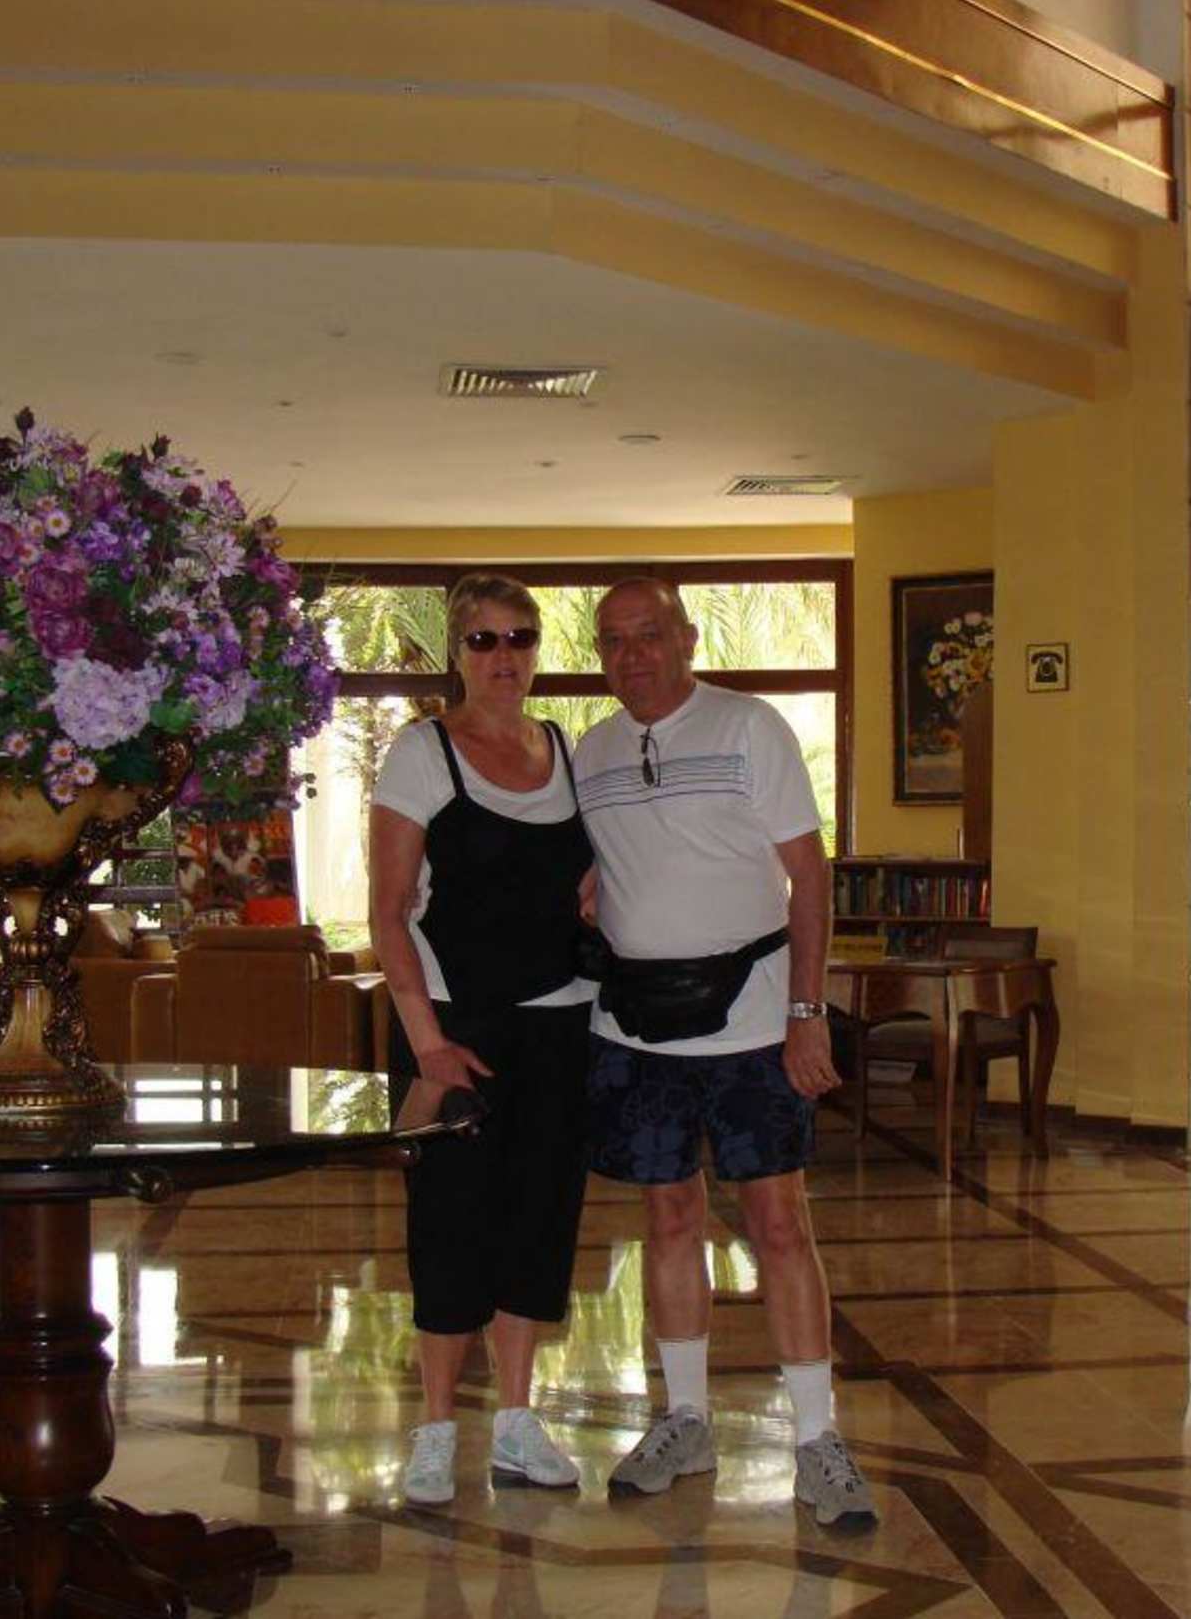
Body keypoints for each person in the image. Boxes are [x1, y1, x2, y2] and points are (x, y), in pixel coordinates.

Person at [572, 577, 878, 1529]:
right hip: (634, 1028)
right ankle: (686, 1420)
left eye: (649, 634)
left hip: (753, 1024)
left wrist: (806, 1011)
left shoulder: (750, 727)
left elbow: (809, 877)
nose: (632, 655)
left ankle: (818, 1439)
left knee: (779, 1222)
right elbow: (602, 866)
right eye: (613, 640)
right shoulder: (591, 752)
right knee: (668, 1218)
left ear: (688, 638)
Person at [368, 572, 595, 1507]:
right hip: (454, 1027)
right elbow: (388, 913)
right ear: (457, 652)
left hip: (561, 1023)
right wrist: (427, 1046)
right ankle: (433, 1430)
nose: (504, 656)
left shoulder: (564, 750)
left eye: (520, 638)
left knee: (539, 1218)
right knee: (450, 1221)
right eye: (484, 640)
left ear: (538, 649)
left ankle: (515, 1422)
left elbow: (584, 882)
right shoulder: (422, 753)